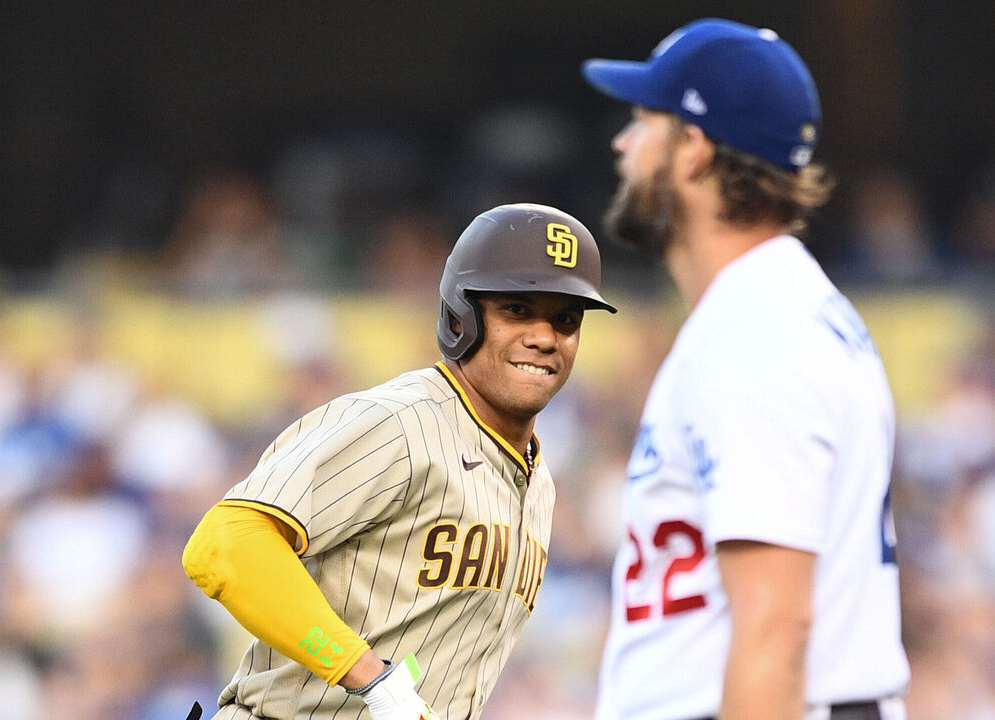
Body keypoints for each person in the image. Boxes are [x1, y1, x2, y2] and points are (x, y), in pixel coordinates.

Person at [581, 18, 910, 720]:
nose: (623, 144)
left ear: (694, 147)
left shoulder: (760, 331)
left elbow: (774, 628)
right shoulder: (771, 309)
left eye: (643, 121)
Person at [181, 202, 615, 720]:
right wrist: (367, 675)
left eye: (565, 319)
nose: (545, 337)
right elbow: (225, 542)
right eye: (517, 310)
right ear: (463, 316)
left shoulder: (536, 478)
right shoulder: (403, 422)